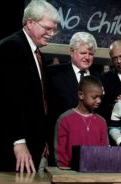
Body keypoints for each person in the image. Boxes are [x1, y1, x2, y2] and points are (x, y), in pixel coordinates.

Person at [0, 0, 60, 182]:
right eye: (47, 28)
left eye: (54, 29)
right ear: (30, 23)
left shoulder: (37, 53)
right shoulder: (11, 47)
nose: (51, 34)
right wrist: (18, 141)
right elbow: (6, 100)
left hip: (32, 147)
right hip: (11, 149)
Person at [46, 32, 97, 165]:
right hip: (60, 147)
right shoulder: (53, 73)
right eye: (83, 53)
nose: (87, 57)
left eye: (91, 54)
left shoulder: (100, 78)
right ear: (71, 52)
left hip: (92, 149)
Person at [54, 76, 108, 168]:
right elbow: (60, 153)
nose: (99, 101)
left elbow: (105, 151)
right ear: (81, 95)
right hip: (70, 174)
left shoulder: (101, 121)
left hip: (96, 173)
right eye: (94, 97)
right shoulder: (64, 119)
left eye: (101, 97)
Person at [99, 40, 121, 125]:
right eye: (115, 58)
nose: (119, 61)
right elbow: (101, 106)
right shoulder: (104, 79)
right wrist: (115, 102)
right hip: (115, 127)